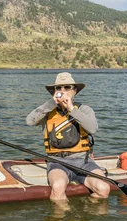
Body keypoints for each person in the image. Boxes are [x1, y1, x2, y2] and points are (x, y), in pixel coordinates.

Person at [26, 72, 110, 209]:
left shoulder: (84, 109)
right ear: (54, 92)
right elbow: (29, 121)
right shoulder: (47, 111)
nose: (63, 91)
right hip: (58, 161)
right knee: (58, 187)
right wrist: (52, 103)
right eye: (59, 88)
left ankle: (84, 211)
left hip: (83, 161)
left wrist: (71, 109)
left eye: (67, 87)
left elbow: (93, 129)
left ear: (74, 91)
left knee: (103, 189)